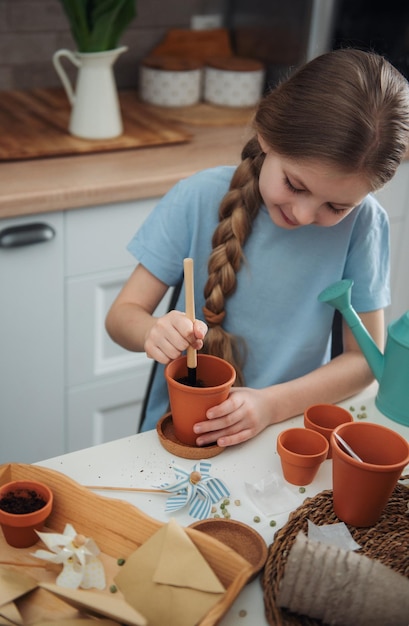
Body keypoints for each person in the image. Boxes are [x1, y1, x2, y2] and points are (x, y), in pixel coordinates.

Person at [106, 48, 409, 448]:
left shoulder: (364, 223)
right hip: (177, 435)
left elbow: (363, 363)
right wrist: (152, 332)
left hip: (285, 435)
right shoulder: (197, 198)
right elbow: (121, 317)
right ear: (266, 135)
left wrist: (270, 405)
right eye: (295, 185)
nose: (302, 214)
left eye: (335, 206)